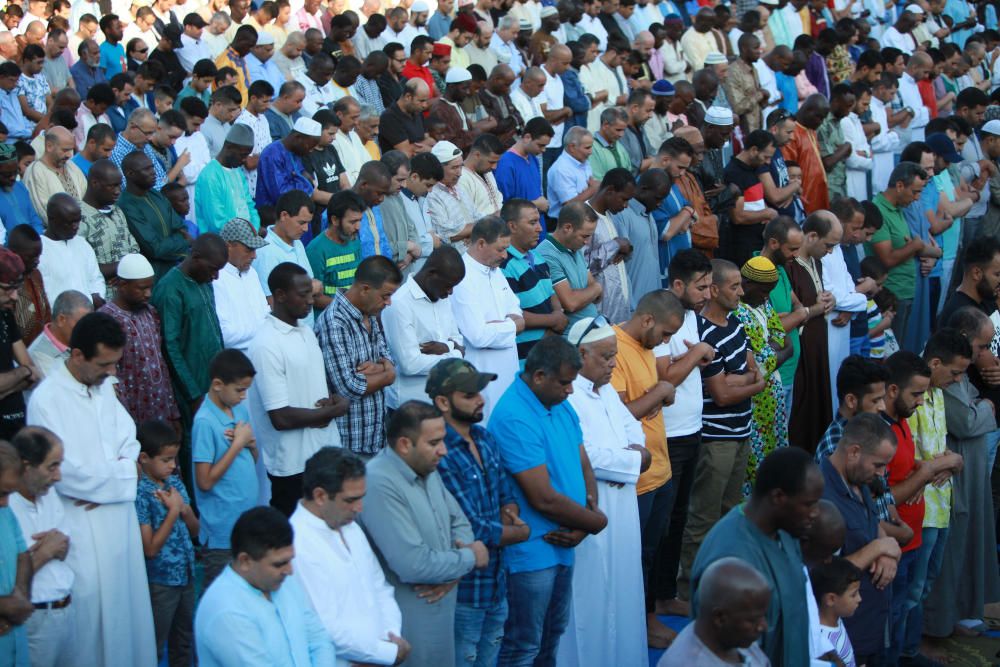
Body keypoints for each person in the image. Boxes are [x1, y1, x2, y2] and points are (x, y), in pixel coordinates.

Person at [27, 312, 157, 667]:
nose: (112, 372)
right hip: (80, 527)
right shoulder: (46, 400)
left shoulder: (103, 390)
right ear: (77, 355)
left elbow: (131, 448)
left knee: (127, 621)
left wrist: (116, 478)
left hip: (118, 524)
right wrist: (121, 477)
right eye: (105, 364)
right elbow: (67, 475)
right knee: (91, 634)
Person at [489, 336, 608, 667]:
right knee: (524, 645)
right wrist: (597, 522)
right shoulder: (514, 415)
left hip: (564, 540)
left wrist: (587, 516)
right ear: (539, 376)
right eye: (565, 382)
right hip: (531, 553)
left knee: (551, 635)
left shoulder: (558, 403)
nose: (571, 391)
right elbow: (541, 498)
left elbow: (583, 463)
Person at [358, 401, 485, 667]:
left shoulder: (426, 467)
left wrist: (453, 571)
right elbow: (413, 564)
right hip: (409, 629)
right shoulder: (378, 482)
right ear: (405, 444)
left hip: (440, 621)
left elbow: (460, 523)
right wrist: (469, 559)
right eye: (435, 442)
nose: (444, 450)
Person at [556, 316, 649, 663]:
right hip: (592, 504)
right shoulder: (567, 396)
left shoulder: (606, 390)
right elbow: (586, 455)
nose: (613, 364)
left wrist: (633, 456)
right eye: (606, 357)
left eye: (614, 356)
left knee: (624, 589)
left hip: (622, 504)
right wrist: (631, 461)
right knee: (591, 599)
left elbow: (634, 431)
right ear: (581, 354)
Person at [425, 358, 530, 666]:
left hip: (496, 584)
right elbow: (469, 529)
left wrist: (509, 511)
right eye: (469, 395)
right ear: (443, 402)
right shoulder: (438, 451)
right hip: (464, 592)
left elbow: (505, 493)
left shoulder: (484, 438)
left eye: (479, 392)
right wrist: (518, 532)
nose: (481, 399)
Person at [676, 258, 767, 602]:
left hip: (740, 434)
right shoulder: (702, 332)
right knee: (702, 518)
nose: (741, 293)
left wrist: (740, 380)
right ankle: (689, 591)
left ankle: (719, 582)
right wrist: (751, 385)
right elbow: (722, 393)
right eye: (735, 287)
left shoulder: (735, 325)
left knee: (730, 515)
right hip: (716, 440)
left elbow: (750, 369)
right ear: (713, 290)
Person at [691, 447, 821, 665]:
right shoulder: (732, 559)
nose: (815, 513)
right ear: (779, 497)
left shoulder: (785, 529)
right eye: (809, 504)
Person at [290, 447, 410, 665]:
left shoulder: (350, 527)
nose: (359, 508)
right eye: (350, 500)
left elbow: (380, 587)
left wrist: (390, 637)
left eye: (362, 498)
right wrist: (385, 652)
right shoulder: (298, 543)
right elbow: (323, 626)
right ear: (320, 496)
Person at [923, 307, 1000, 640]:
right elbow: (966, 421)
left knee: (965, 545)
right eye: (984, 347)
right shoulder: (946, 371)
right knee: (947, 554)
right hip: (949, 480)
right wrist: (987, 406)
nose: (986, 354)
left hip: (967, 471)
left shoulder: (961, 372)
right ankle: (933, 629)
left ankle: (955, 614)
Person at [248, 262, 346, 516]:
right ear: (280, 295)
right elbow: (279, 417)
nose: (310, 301)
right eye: (302, 295)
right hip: (292, 464)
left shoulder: (305, 331)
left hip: (323, 452)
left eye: (311, 294)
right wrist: (331, 413)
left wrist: (333, 400)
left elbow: (313, 387)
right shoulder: (265, 343)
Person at [194, 506, 335, 666]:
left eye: (290, 560)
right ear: (245, 561)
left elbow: (319, 639)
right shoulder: (228, 612)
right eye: (279, 564)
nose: (289, 570)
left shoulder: (282, 580)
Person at [820, 413, 903, 665]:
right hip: (847, 641)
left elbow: (873, 524)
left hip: (873, 626)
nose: (882, 473)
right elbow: (823, 576)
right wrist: (880, 547)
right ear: (854, 451)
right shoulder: (822, 498)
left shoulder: (858, 479)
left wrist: (887, 552)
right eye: (878, 465)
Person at [315, 255, 399, 457]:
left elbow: (387, 356)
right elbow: (348, 387)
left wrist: (380, 367)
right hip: (350, 444)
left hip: (376, 437)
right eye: (385, 296)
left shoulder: (369, 311)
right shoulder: (335, 322)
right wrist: (387, 375)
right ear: (365, 289)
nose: (389, 302)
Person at [191, 349, 258, 588]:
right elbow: (205, 481)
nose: (243, 396)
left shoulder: (239, 410)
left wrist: (249, 444)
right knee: (223, 592)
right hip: (222, 533)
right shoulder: (205, 422)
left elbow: (253, 458)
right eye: (239, 390)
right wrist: (237, 444)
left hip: (245, 524)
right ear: (218, 385)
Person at [135, 420, 198, 667]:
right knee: (156, 642)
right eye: (165, 460)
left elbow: (195, 530)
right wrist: (173, 512)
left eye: (174, 459)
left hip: (186, 574)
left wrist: (185, 511)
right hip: (161, 582)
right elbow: (150, 549)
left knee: (184, 641)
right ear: (144, 458)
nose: (172, 466)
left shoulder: (175, 483)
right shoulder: (141, 494)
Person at [8, 427, 72, 667]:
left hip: (66, 611)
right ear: (26, 466)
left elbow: (64, 547)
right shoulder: (8, 507)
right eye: (51, 466)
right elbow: (9, 579)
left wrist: (38, 555)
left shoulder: (50, 496)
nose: (58, 477)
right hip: (32, 621)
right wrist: (45, 552)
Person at [451, 217, 524, 423]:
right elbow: (479, 336)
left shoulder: (496, 271)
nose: (505, 255)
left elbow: (518, 313)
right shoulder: (461, 276)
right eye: (500, 249)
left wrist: (503, 326)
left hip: (508, 370)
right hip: (482, 374)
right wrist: (511, 325)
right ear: (481, 243)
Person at [152, 234, 226, 426]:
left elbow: (213, 326)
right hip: (189, 387)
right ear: (196, 257)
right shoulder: (171, 289)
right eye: (213, 269)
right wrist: (192, 394)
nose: (215, 276)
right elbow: (170, 346)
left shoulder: (205, 279)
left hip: (214, 379)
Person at [96, 254, 177, 427]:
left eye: (150, 287)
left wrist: (173, 410)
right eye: (141, 288)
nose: (148, 294)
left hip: (160, 403)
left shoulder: (151, 312)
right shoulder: (105, 318)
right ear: (123, 285)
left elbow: (160, 363)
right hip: (129, 406)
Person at [382, 246, 465, 407]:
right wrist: (455, 354)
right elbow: (410, 364)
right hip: (411, 407)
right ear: (431, 274)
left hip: (444, 402)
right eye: (448, 285)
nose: (451, 292)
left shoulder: (442, 296)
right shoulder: (400, 303)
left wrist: (447, 347)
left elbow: (458, 340)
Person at [734, 256, 791, 492]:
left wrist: (777, 349)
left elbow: (782, 338)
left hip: (773, 397)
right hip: (754, 402)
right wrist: (781, 351)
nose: (767, 297)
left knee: (774, 459)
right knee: (753, 466)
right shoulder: (738, 312)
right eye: (763, 291)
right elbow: (762, 363)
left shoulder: (763, 304)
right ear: (745, 284)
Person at [658, 557, 771, 667]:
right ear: (720, 618)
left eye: (763, 616)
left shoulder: (736, 638)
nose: (763, 626)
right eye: (753, 620)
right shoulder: (687, 662)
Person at [788, 211, 839, 452]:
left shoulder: (816, 262)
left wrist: (829, 301)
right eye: (828, 245)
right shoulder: (790, 266)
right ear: (812, 236)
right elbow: (792, 312)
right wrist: (815, 308)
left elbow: (815, 299)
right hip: (800, 352)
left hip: (818, 349)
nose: (829, 251)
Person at [869, 161, 928, 352]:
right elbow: (887, 259)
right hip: (891, 295)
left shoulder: (899, 209)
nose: (917, 198)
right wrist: (915, 246)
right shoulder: (879, 210)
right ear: (900, 186)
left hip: (905, 292)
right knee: (890, 356)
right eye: (915, 192)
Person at [117, 152, 190, 280]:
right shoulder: (127, 205)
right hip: (153, 276)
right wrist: (182, 242)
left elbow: (182, 229)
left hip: (176, 269)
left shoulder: (156, 195)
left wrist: (176, 242)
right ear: (130, 174)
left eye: (152, 167)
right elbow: (155, 248)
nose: (153, 172)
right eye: (147, 169)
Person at [78, 160, 141, 298]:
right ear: (94, 183)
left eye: (119, 185)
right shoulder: (78, 216)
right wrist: (123, 268)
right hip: (100, 298)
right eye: (112, 186)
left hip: (127, 294)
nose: (118, 191)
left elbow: (135, 250)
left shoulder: (117, 211)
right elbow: (83, 267)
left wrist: (124, 271)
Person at [583, 168, 635, 323]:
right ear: (610, 190)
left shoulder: (612, 216)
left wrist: (625, 247)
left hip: (620, 308)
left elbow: (623, 249)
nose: (626, 205)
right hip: (600, 313)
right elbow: (583, 266)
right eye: (624, 199)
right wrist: (616, 245)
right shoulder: (583, 216)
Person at [37, 195, 104, 311]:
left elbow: (96, 279)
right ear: (52, 219)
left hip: (88, 315)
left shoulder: (82, 244)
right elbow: (43, 293)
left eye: (78, 221)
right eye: (69, 223)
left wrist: (95, 297)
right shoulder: (39, 250)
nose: (76, 227)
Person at [213, 217, 269, 353]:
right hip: (235, 364)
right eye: (249, 249)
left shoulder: (252, 273)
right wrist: (265, 331)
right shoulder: (215, 279)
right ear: (228, 246)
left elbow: (266, 313)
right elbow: (224, 335)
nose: (254, 256)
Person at [195, 124, 261, 235]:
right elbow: (217, 222)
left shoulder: (238, 172)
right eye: (243, 155)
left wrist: (254, 230)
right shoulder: (210, 176)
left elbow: (250, 206)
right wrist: (247, 236)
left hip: (246, 240)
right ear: (229, 147)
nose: (245, 160)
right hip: (221, 245)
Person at [306, 190, 367, 308]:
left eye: (360, 220)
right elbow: (313, 297)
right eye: (353, 222)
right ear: (335, 220)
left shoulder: (355, 242)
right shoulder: (316, 250)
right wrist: (347, 306)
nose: (358, 227)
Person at [0, 439, 31, 667]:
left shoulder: (5, 511)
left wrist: (19, 596)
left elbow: (23, 554)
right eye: (2, 493)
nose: (5, 502)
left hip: (15, 645)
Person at [22, 127, 87, 226]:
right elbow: (44, 213)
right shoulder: (35, 172)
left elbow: (86, 199)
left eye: (71, 150)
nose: (69, 155)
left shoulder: (71, 166)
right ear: (49, 146)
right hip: (58, 234)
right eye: (65, 150)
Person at [493, 117, 553, 222]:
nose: (544, 150)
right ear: (527, 137)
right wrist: (535, 204)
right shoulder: (506, 164)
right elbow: (504, 206)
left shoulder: (533, 158)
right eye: (540, 145)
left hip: (538, 226)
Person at [26, 291, 92, 379]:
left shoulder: (83, 340)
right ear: (61, 320)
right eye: (82, 324)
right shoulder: (40, 355)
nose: (88, 330)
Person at [811, 557, 862, 667]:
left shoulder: (836, 619)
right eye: (853, 594)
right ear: (831, 599)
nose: (859, 599)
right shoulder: (821, 640)